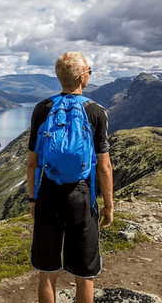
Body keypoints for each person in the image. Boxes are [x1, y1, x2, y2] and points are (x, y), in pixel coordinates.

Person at [26, 51, 114, 303]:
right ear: (82, 77)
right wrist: (108, 205)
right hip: (81, 196)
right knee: (84, 276)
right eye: (90, 71)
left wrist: (32, 199)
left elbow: (32, 162)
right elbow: (104, 166)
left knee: (47, 272)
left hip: (48, 194)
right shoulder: (96, 111)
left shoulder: (42, 109)